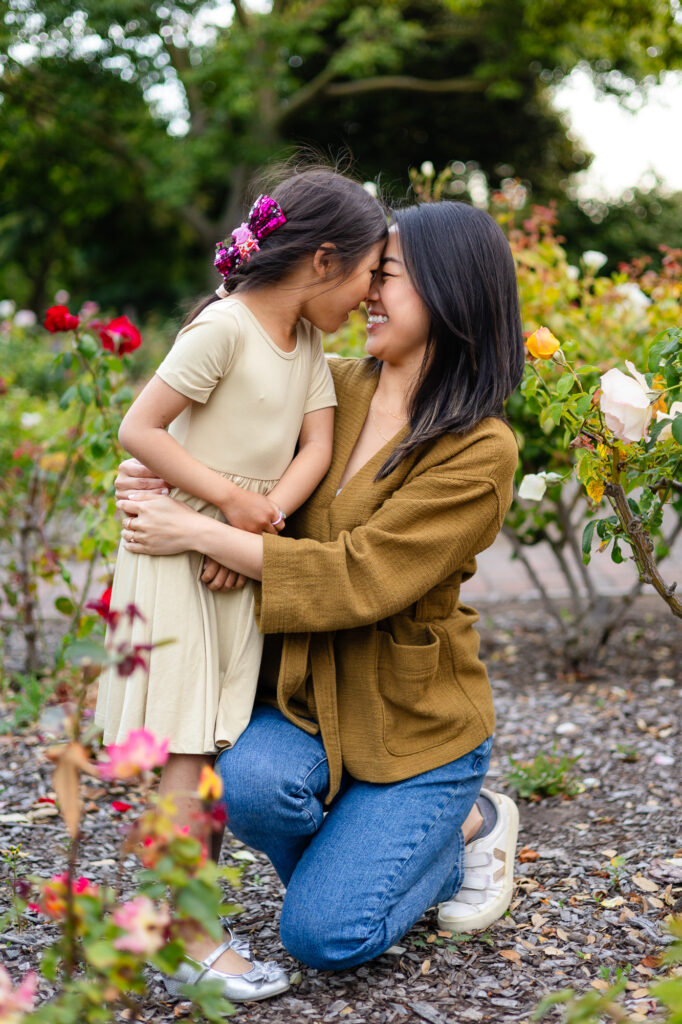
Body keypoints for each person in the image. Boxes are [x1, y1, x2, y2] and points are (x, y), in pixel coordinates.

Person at [115, 199, 525, 981]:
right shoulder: (332, 383)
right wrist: (154, 475)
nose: (367, 293)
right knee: (249, 783)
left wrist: (205, 533)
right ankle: (410, 841)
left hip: (412, 729)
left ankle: (466, 819)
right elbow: (215, 451)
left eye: (388, 277)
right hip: (304, 703)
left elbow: (362, 575)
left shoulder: (481, 450)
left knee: (322, 939)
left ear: (450, 291)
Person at [97, 168, 387, 1001]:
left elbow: (317, 453)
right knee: (185, 750)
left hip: (233, 548)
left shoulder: (310, 352)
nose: (369, 294)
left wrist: (257, 523)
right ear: (325, 259)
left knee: (216, 743)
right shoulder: (223, 328)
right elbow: (138, 428)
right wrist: (228, 505)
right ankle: (187, 938)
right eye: (369, 273)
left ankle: (179, 921)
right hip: (175, 554)